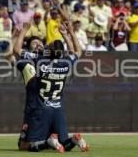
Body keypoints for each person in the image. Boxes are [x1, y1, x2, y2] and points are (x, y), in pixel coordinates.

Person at [13, 21, 89, 152]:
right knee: (64, 143)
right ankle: (75, 140)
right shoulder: (65, 63)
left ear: (49, 52)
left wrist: (24, 30)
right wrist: (68, 33)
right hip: (58, 108)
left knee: (30, 146)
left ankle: (48, 142)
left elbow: (16, 50)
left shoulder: (40, 61)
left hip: (42, 108)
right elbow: (78, 51)